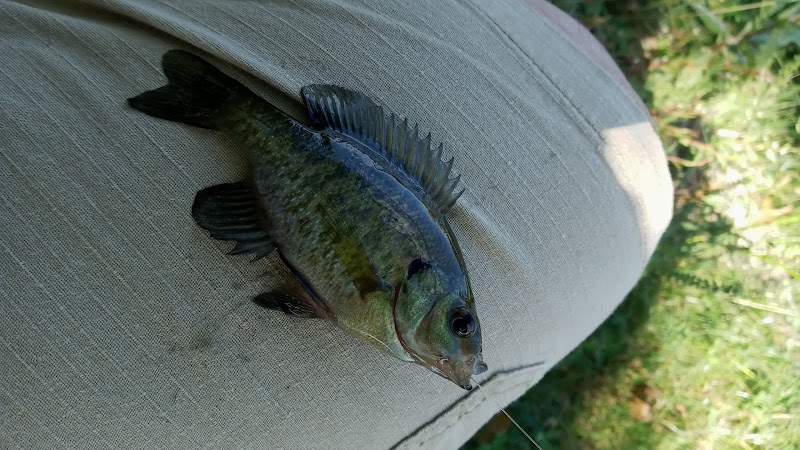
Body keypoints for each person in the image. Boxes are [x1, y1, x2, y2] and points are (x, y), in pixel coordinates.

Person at [0, 0, 673, 448]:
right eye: (461, 323)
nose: (463, 347)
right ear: (419, 286)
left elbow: (305, 290)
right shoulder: (393, 294)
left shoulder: (399, 307)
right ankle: (226, 107)